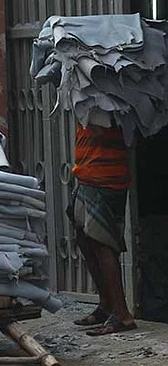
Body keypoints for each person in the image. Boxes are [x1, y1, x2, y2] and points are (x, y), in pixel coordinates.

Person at [69, 123, 138, 336]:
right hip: (89, 175)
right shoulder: (88, 95)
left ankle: (122, 315)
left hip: (104, 178)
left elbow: (103, 129)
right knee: (84, 238)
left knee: (102, 242)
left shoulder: (109, 97)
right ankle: (106, 304)